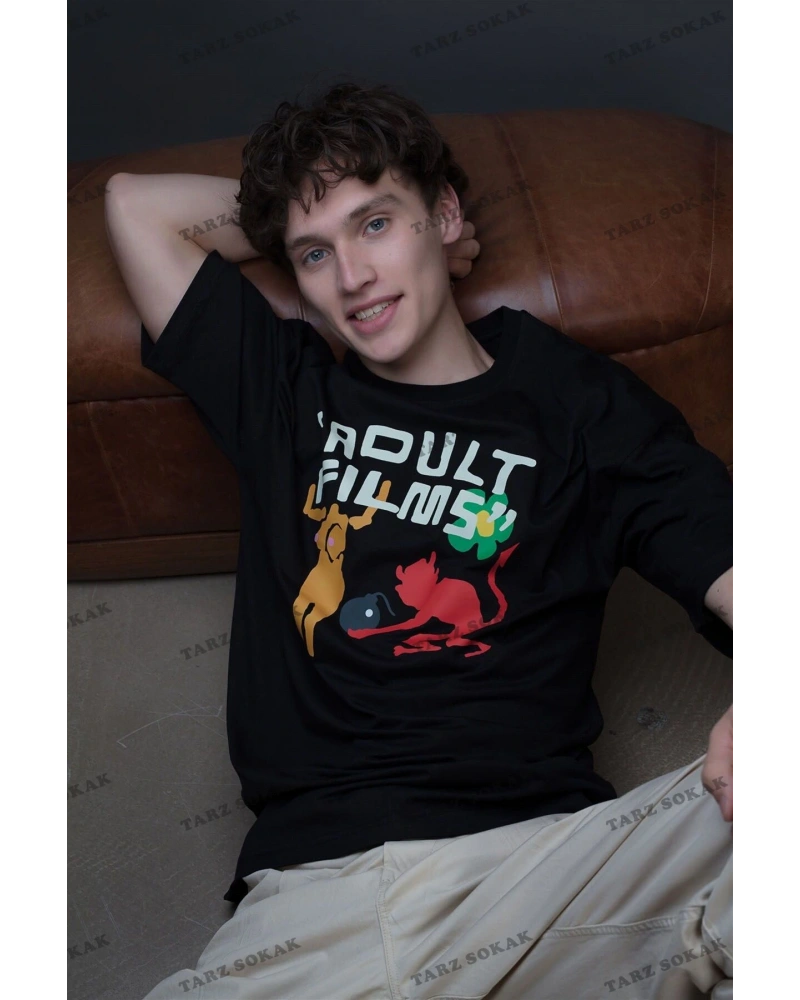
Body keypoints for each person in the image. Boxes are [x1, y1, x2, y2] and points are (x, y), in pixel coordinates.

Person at [105, 81, 735, 1000]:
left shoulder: (575, 402)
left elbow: (736, 566)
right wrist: (309, 217)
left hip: (550, 877)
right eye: (314, 253)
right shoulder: (283, 393)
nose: (352, 277)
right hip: (309, 911)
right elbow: (135, 207)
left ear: (443, 214)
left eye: (376, 225)